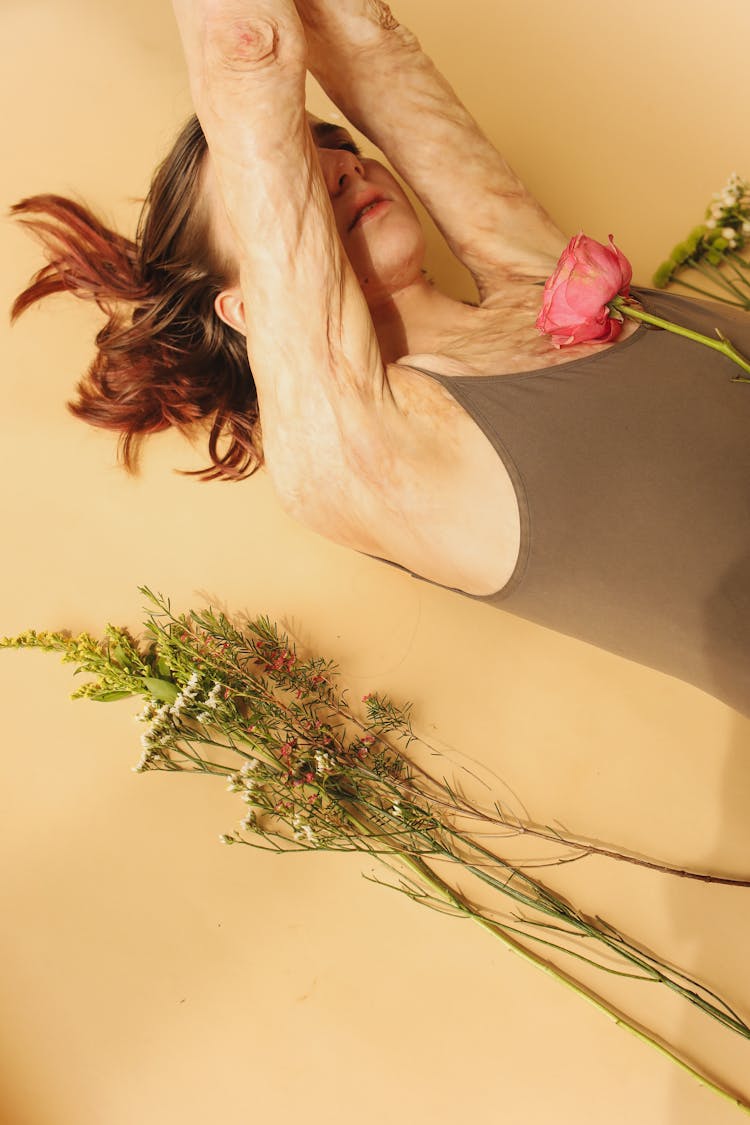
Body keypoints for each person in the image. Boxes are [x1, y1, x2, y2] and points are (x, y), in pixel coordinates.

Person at [10, 0, 750, 715]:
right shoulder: (355, 458)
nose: (339, 170)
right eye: (295, 173)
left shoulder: (540, 278)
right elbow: (245, 48)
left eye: (337, 146)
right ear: (247, 307)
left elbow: (367, 35)